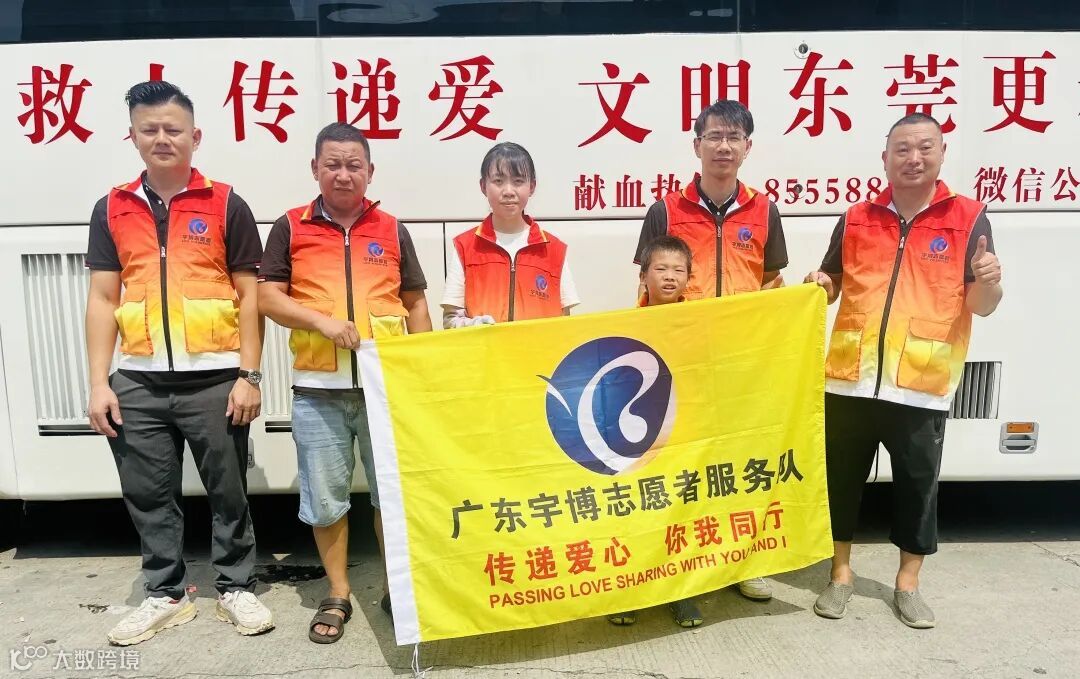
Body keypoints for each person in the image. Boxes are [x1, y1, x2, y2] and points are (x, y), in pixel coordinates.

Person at [85, 81, 272, 646]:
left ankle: (236, 586)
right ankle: (165, 594)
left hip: (215, 379)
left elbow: (250, 295)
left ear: (196, 136)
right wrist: (99, 383)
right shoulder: (112, 208)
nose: (162, 138)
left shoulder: (227, 204)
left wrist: (249, 375)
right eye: (150, 129)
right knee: (148, 494)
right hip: (138, 380)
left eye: (174, 129)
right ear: (133, 136)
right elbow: (103, 299)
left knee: (228, 490)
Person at [805, 112, 1003, 629]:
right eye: (902, 149)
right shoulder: (856, 217)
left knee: (917, 487)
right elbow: (832, 282)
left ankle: (908, 584)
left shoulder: (968, 218)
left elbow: (982, 306)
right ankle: (840, 574)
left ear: (941, 154)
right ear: (885, 157)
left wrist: (989, 281)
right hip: (850, 377)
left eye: (925, 148)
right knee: (840, 481)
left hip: (921, 382)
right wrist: (819, 283)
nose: (913, 158)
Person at [258, 122, 432, 644]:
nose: (343, 174)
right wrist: (322, 322)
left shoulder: (392, 230)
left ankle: (396, 588)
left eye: (354, 165)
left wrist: (421, 372)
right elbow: (267, 298)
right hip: (318, 393)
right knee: (326, 500)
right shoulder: (291, 227)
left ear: (370, 172)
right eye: (332, 164)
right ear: (315, 169)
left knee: (391, 497)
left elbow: (415, 303)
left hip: (383, 393)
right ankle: (338, 592)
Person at [632, 99, 787, 603]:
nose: (724, 146)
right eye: (714, 136)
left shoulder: (764, 211)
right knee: (680, 467)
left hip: (742, 366)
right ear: (696, 145)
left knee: (740, 463)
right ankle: (673, 563)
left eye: (733, 137)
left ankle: (745, 562)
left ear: (747, 148)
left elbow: (771, 283)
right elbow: (647, 286)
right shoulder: (665, 211)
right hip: (682, 364)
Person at [609, 235, 703, 628]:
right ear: (643, 276)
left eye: (678, 270)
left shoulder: (701, 321)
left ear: (688, 279)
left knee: (679, 513)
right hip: (639, 439)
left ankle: (680, 592)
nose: (669, 277)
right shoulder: (625, 324)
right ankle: (629, 591)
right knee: (635, 514)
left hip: (684, 435)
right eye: (660, 269)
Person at [441, 141, 580, 328]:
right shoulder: (465, 246)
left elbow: (565, 322)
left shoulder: (554, 249)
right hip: (484, 347)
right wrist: (474, 326)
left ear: (532, 187)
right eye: (498, 181)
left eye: (518, 181)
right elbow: (450, 320)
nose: (508, 191)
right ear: (483, 186)